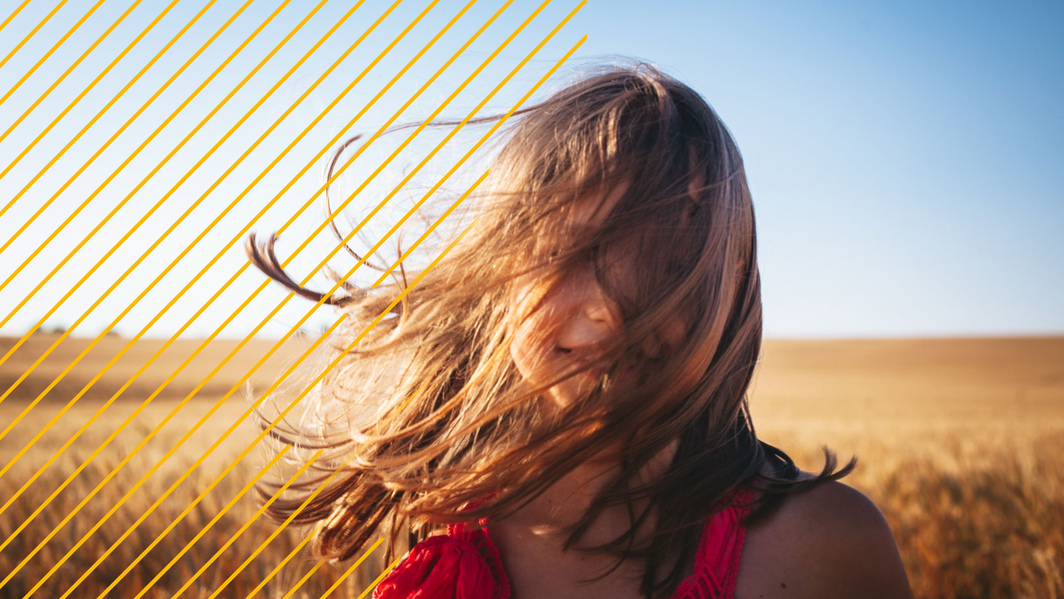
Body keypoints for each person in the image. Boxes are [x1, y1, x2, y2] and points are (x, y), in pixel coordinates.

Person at [247, 62, 914, 599]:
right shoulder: (438, 557)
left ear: (729, 296)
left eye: (666, 265)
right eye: (569, 253)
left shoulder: (824, 548)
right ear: (500, 279)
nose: (608, 312)